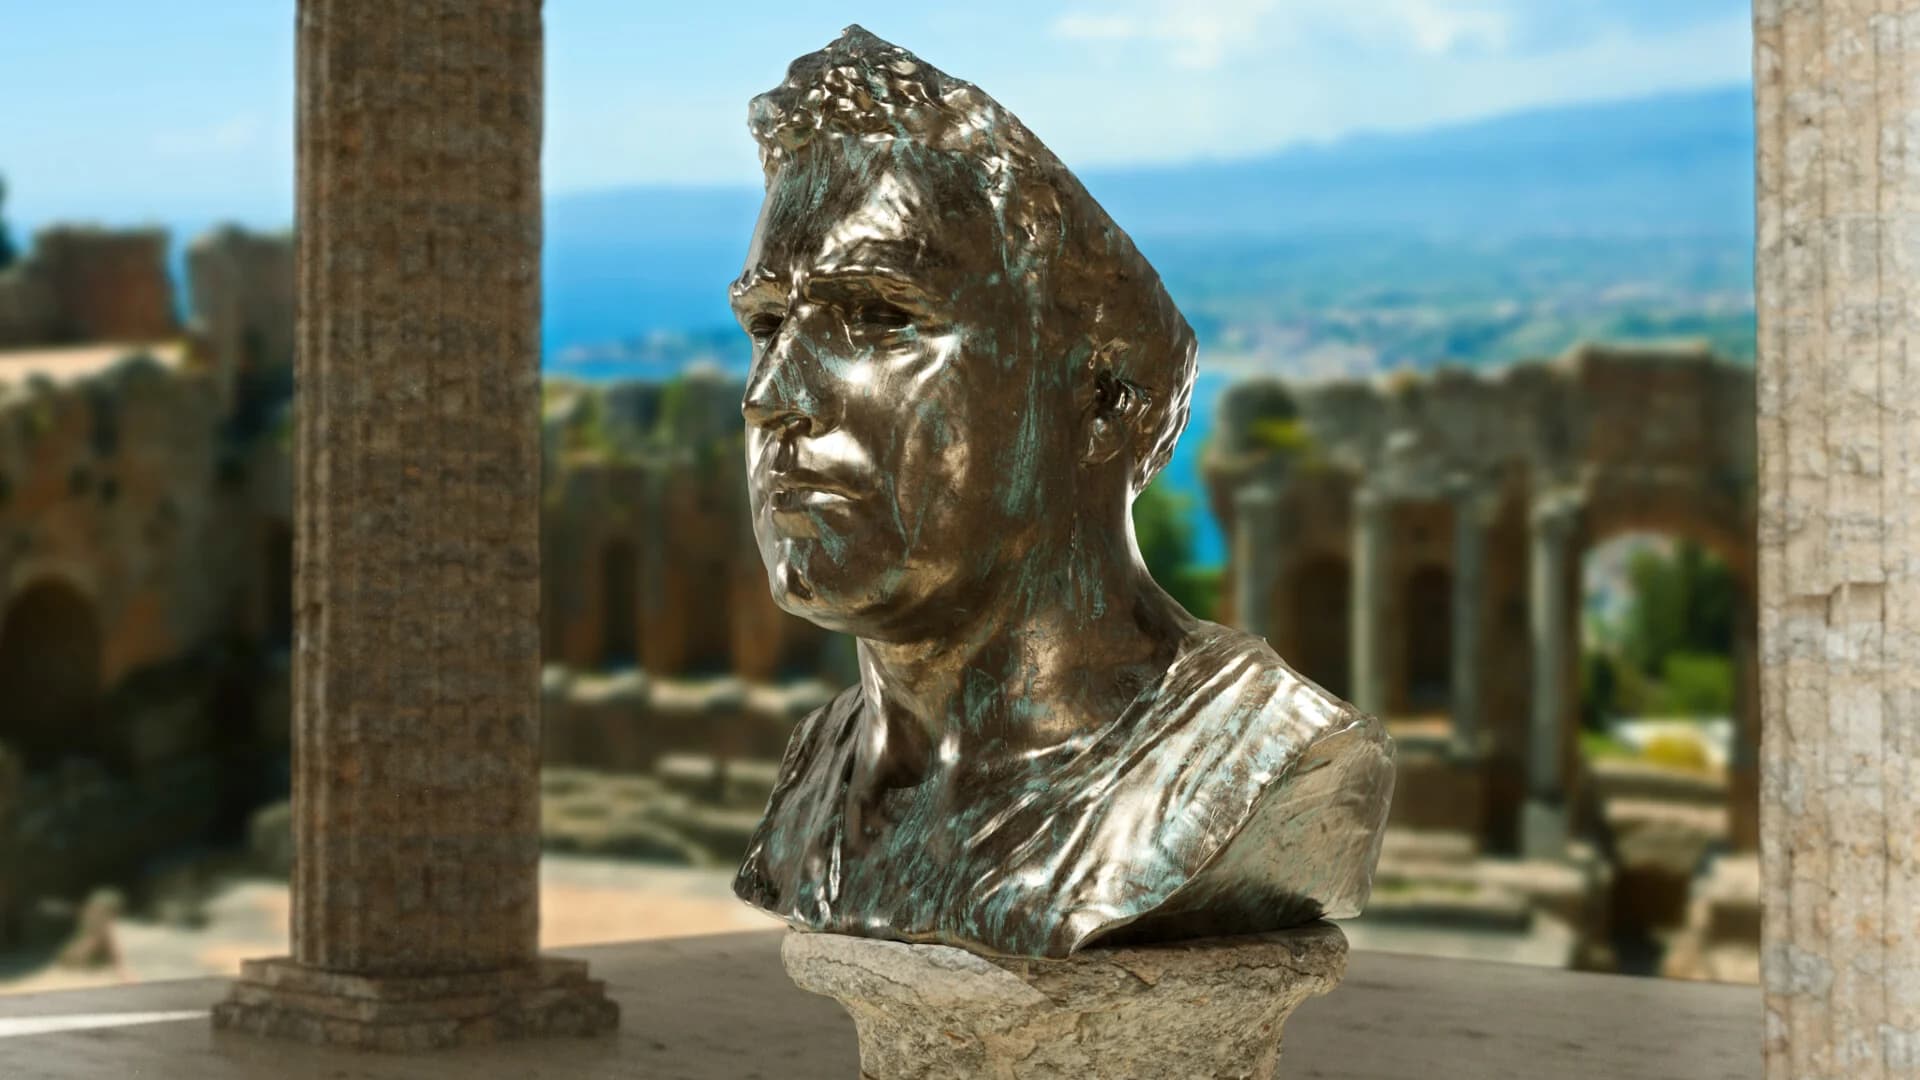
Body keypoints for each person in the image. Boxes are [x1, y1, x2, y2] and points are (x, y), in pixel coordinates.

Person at [730, 26, 1393, 959]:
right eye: (765, 324)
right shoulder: (817, 787)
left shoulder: (1250, 762)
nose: (772, 396)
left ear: (1101, 399)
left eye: (880, 318)